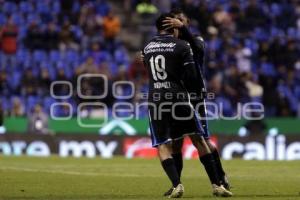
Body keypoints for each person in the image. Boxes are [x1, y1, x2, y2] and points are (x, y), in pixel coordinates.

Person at [143, 13, 232, 198]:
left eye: (181, 20)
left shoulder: (190, 40)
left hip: (180, 97)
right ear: (171, 25)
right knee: (181, 142)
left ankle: (220, 178)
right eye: (175, 21)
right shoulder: (178, 45)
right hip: (180, 95)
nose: (178, 22)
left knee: (198, 139)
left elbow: (196, 48)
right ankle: (187, 183)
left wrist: (183, 29)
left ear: (185, 24)